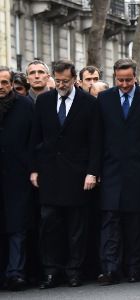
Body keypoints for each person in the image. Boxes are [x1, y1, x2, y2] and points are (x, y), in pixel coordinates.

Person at [30, 59, 101, 288]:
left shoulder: (88, 103)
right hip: (50, 174)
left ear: (74, 80)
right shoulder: (43, 101)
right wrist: (34, 169)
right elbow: (35, 137)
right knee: (49, 224)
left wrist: (92, 172)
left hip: (77, 174)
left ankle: (74, 271)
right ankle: (51, 271)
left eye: (65, 81)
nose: (61, 84)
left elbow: (95, 141)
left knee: (76, 227)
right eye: (57, 80)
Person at [96, 58, 140, 285]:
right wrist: (95, 170)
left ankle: (134, 267)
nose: (124, 84)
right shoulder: (104, 99)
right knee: (110, 221)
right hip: (111, 169)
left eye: (128, 80)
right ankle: (110, 268)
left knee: (135, 223)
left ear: (135, 77)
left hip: (139, 170)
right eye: (120, 80)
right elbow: (98, 137)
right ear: (115, 77)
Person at [0, 66, 33, 291]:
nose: (1, 87)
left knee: (17, 227)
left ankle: (15, 272)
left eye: (4, 82)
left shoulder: (25, 106)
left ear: (12, 84)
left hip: (17, 175)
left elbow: (33, 140)